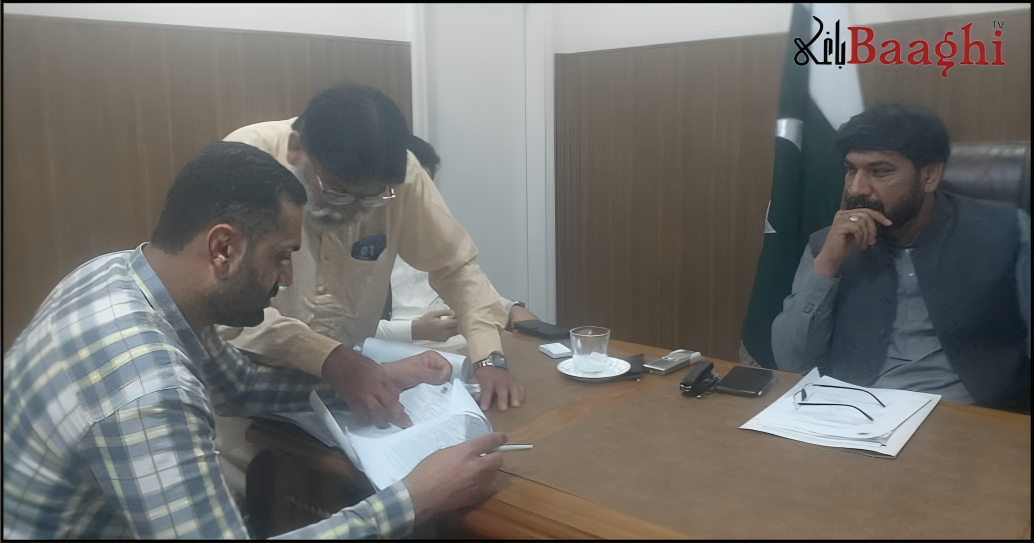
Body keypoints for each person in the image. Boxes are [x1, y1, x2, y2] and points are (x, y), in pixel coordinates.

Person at [2, 141, 507, 539]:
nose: (286, 279)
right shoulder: (148, 389)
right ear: (223, 248)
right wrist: (414, 498)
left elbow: (237, 385)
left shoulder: (116, 273)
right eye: (281, 256)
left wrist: (371, 377)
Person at [218, 84, 524, 418]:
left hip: (349, 387)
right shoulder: (245, 161)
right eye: (337, 192)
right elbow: (226, 313)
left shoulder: (399, 173)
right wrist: (330, 357)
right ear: (296, 149)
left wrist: (488, 357)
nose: (353, 210)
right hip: (248, 384)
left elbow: (456, 267)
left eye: (372, 199)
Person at [771, 103, 1031, 411]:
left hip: (966, 417)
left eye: (879, 172)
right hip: (852, 411)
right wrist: (827, 264)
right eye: (851, 170)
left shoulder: (1006, 231)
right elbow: (792, 363)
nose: (857, 188)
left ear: (929, 176)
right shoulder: (828, 244)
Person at [377, 135, 540, 354]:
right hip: (406, 353)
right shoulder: (367, 243)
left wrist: (511, 308)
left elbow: (461, 284)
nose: (418, 200)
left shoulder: (432, 231)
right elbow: (342, 332)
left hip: (468, 348)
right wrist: (414, 330)